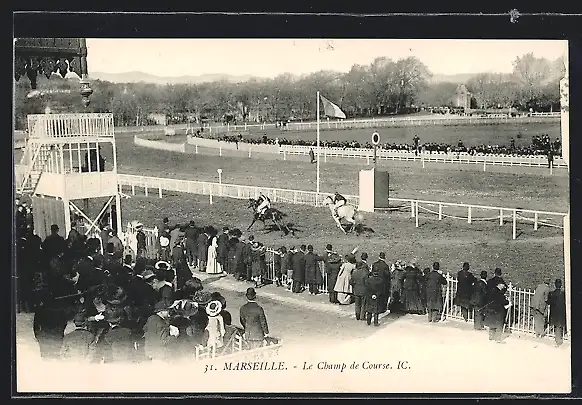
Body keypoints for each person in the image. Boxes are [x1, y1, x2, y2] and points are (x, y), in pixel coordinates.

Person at [547, 279, 567, 347]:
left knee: (557, 326)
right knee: (560, 326)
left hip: (555, 313)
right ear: (561, 285)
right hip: (561, 312)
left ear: (555, 285)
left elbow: (550, 302)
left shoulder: (552, 293)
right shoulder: (563, 294)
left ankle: (558, 341)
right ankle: (560, 338)